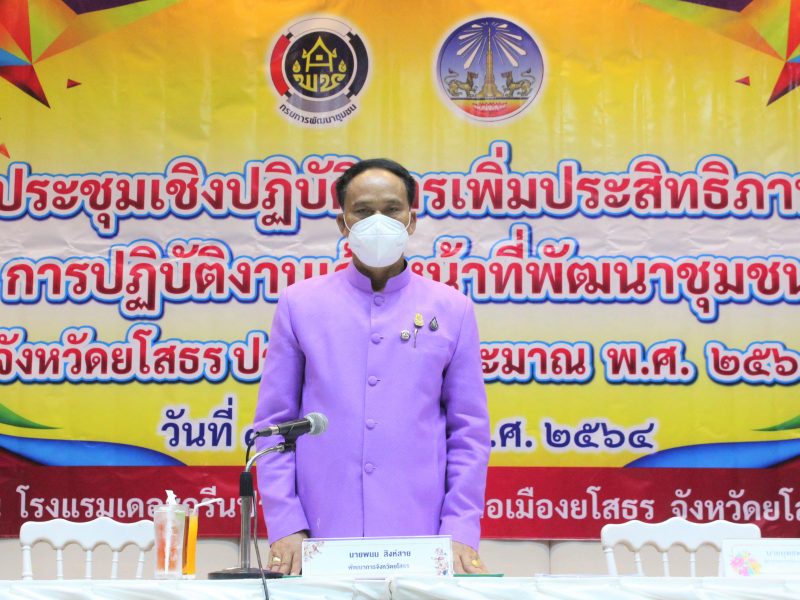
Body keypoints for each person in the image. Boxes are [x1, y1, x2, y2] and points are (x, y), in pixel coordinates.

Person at [253, 158, 490, 575]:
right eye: (363, 211)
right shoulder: (300, 304)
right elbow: (274, 427)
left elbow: (469, 433)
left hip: (420, 534)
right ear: (343, 223)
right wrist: (286, 523)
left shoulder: (452, 308)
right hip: (320, 532)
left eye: (392, 209)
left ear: (411, 220)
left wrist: (460, 528)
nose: (378, 221)